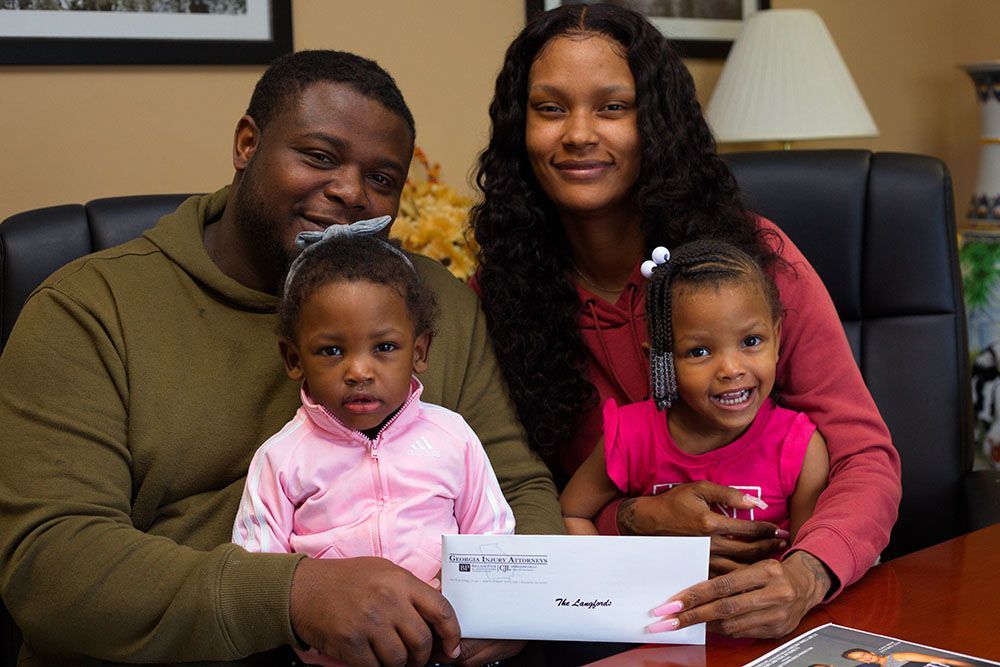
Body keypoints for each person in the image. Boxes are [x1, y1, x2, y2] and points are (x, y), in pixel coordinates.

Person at [0, 50, 562, 666]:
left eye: (381, 179)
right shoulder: (89, 309)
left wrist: (514, 602)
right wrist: (294, 595)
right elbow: (52, 563)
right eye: (319, 157)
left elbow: (517, 484)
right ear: (247, 144)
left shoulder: (434, 307)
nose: (349, 191)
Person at [470, 3, 900, 640]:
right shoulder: (497, 299)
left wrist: (806, 575)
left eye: (613, 107)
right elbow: (521, 500)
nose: (578, 133)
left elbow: (865, 457)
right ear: (518, 129)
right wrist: (638, 519)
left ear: (657, 124)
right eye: (551, 108)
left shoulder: (751, 263)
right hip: (612, 628)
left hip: (778, 619)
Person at [232, 230, 516, 665]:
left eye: (385, 347)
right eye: (331, 350)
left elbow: (493, 537)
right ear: (293, 359)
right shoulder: (281, 458)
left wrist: (467, 599)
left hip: (445, 649)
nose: (359, 370)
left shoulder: (452, 436)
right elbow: (257, 574)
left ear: (419, 351)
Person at [559, 240, 829, 557]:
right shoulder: (630, 437)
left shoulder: (799, 448)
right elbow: (571, 514)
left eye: (751, 341)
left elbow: (804, 559)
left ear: (777, 337)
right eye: (699, 351)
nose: (731, 369)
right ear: (662, 359)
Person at [842, 648, 973, 667]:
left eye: (863, 654)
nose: (865, 659)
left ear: (871, 652)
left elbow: (944, 660)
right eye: (859, 658)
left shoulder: (897, 656)